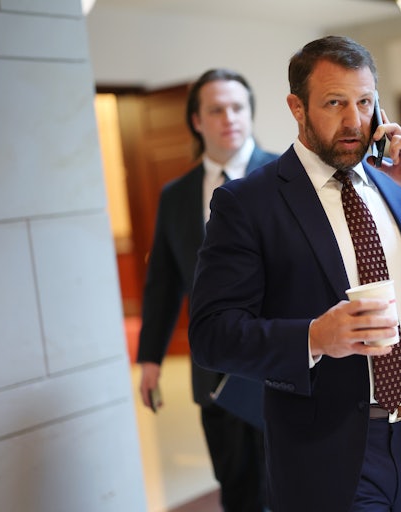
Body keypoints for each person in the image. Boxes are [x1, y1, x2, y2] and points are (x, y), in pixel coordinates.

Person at [188, 36, 401, 512]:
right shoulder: (249, 203)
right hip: (324, 452)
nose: (354, 120)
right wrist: (314, 336)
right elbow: (212, 335)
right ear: (297, 107)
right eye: (335, 103)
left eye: (364, 102)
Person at [136, 68, 277, 512]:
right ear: (197, 121)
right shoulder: (175, 195)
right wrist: (150, 358)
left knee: (292, 486)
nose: (229, 118)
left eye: (238, 108)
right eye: (216, 110)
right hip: (213, 370)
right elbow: (163, 280)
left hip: (281, 362)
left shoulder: (285, 176)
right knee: (235, 486)